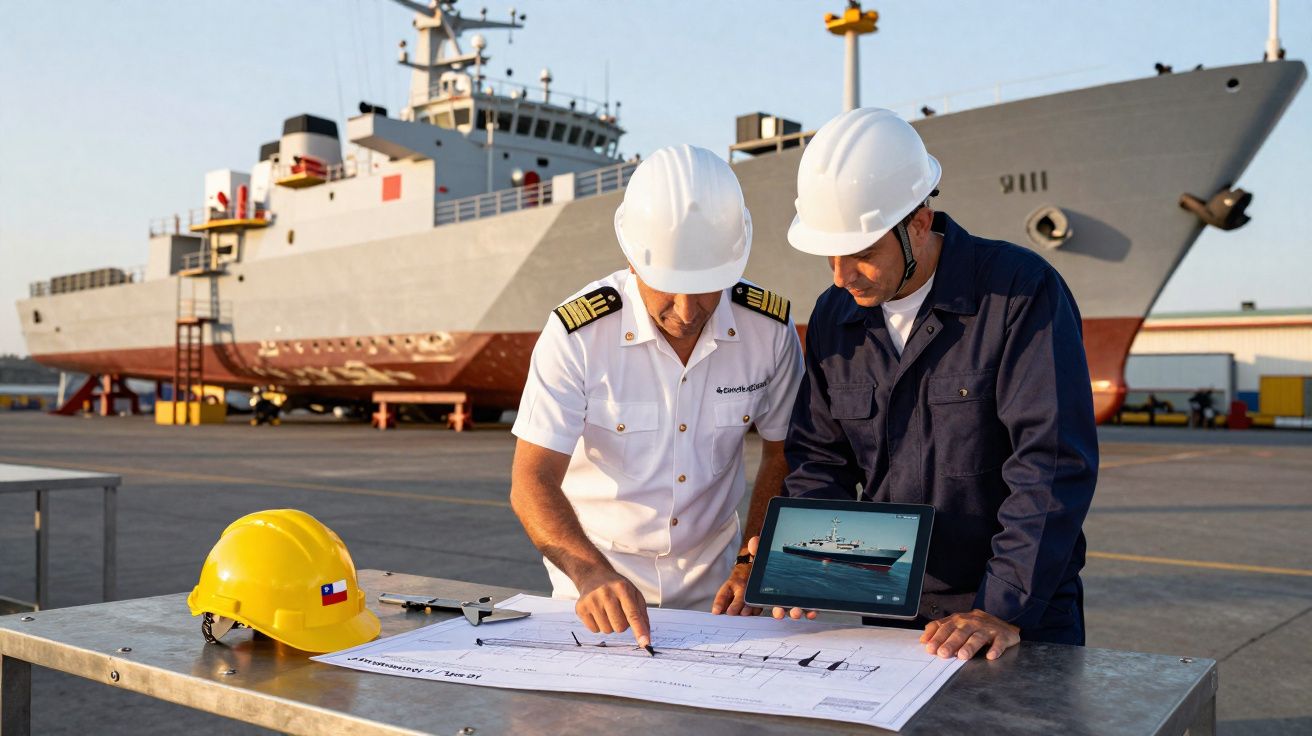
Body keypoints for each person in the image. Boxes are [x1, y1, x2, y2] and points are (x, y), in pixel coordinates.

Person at [773, 108, 1098, 661]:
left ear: (918, 223)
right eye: (829, 254)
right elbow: (819, 460)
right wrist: (803, 561)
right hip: (887, 607)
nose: (840, 275)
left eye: (862, 253)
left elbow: (1051, 461)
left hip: (1012, 618)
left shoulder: (1018, 292)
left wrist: (1003, 606)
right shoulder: (835, 315)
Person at [509, 144, 805, 649]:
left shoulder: (768, 329)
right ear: (631, 258)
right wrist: (589, 573)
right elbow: (531, 480)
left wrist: (753, 562)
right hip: (597, 588)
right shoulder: (578, 334)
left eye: (708, 288)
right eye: (668, 288)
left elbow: (784, 454)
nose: (688, 310)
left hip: (722, 587)